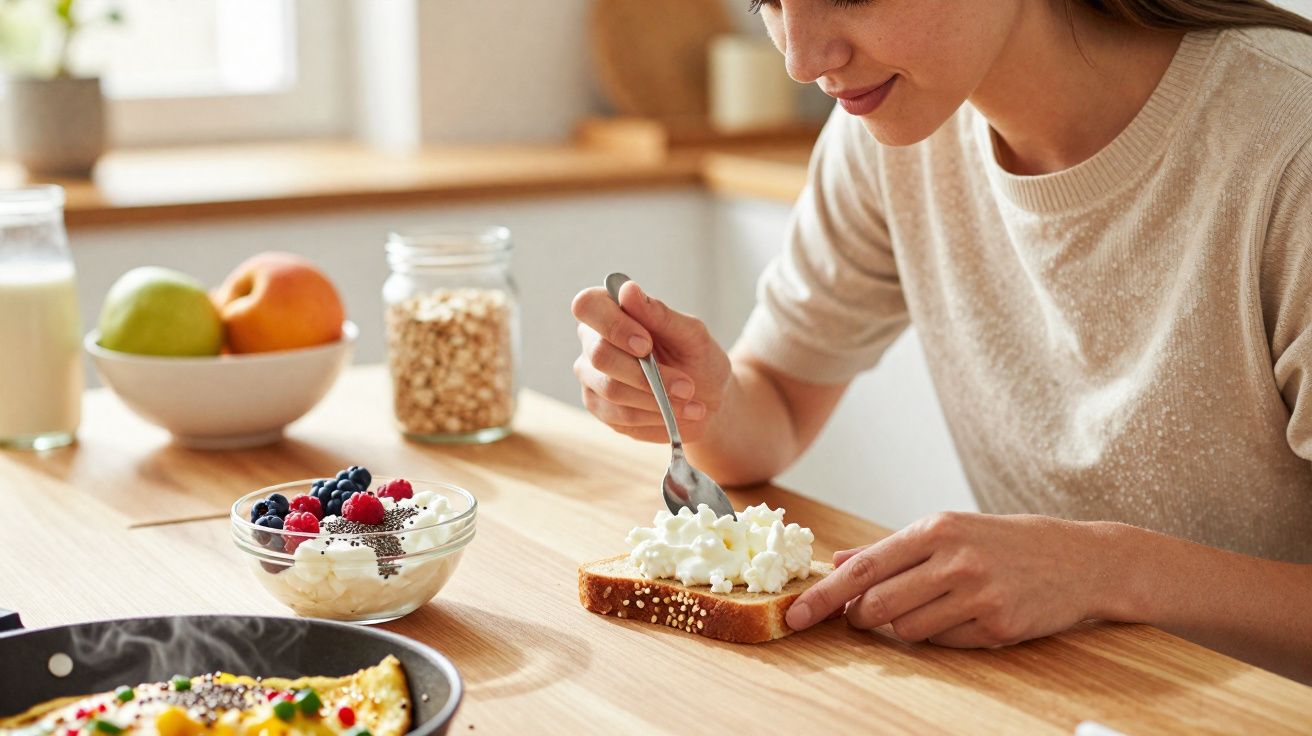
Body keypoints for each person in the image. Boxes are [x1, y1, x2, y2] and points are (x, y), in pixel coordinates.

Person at [571, 0, 1312, 681]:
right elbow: (776, 412)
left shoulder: (1289, 145)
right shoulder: (885, 135)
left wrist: (1107, 570)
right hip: (1074, 698)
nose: (799, 59)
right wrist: (698, 400)